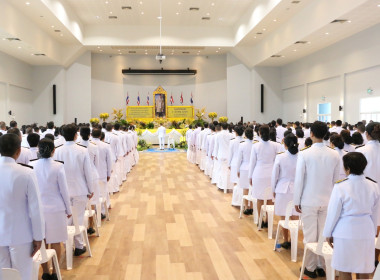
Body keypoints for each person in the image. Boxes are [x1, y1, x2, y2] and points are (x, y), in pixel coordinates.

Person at [293, 121, 340, 278]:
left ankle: (310, 267)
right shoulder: (334, 154)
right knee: (323, 235)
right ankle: (321, 265)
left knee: (310, 235)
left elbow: (299, 179)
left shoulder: (305, 153)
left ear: (311, 134)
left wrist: (296, 200)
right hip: (328, 199)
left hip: (308, 199)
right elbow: (336, 181)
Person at [324, 152, 380, 280]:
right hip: (366, 231)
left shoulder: (340, 186)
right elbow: (376, 212)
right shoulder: (374, 186)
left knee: (345, 269)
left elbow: (333, 213)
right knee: (364, 269)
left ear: (347, 168)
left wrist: (328, 233)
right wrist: (374, 230)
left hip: (344, 232)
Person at [0, 134, 45, 280]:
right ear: (18, 151)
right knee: (23, 275)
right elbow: (35, 208)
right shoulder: (26, 172)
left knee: (3, 275)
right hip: (21, 234)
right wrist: (39, 236)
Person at [30, 138, 72, 280]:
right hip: (56, 208)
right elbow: (64, 191)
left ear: (38, 150)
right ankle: (56, 271)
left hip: (37, 210)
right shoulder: (58, 166)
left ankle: (46, 271)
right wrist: (68, 209)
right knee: (56, 241)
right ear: (54, 151)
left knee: (42, 241)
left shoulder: (31, 165)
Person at [53, 124, 94, 256]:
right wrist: (90, 189)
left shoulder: (57, 151)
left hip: (62, 191)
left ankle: (66, 244)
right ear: (76, 134)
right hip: (80, 189)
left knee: (66, 218)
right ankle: (78, 245)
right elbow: (88, 172)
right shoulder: (82, 150)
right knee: (79, 218)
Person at [248, 125, 282, 226]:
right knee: (270, 198)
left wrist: (250, 176)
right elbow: (278, 162)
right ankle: (268, 219)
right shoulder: (276, 145)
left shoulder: (256, 146)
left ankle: (259, 219)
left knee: (259, 198)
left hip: (258, 173)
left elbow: (252, 163)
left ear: (259, 133)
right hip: (271, 174)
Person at [271, 133, 299, 249]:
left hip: (282, 189)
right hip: (297, 189)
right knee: (295, 217)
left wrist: (273, 189)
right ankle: (294, 240)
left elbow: (275, 176)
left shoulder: (280, 157)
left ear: (285, 145)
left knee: (284, 216)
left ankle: (286, 240)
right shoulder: (302, 156)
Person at [236, 127, 254, 212]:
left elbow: (239, 159)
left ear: (245, 135)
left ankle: (246, 207)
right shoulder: (255, 144)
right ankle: (252, 207)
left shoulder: (242, 144)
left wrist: (237, 170)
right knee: (253, 188)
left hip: (244, 168)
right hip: (253, 168)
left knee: (245, 188)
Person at [213, 122, 233, 192]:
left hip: (221, 154)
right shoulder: (231, 135)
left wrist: (215, 155)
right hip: (229, 155)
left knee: (221, 170)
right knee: (228, 172)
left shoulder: (218, 135)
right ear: (227, 127)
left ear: (221, 127)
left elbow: (216, 146)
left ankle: (221, 185)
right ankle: (228, 186)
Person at [229, 125, 244, 206]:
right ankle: (241, 200)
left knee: (235, 182)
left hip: (234, 163)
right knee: (242, 183)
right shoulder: (245, 141)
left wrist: (229, 163)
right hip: (243, 163)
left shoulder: (232, 141)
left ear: (236, 132)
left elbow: (230, 153)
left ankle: (235, 200)